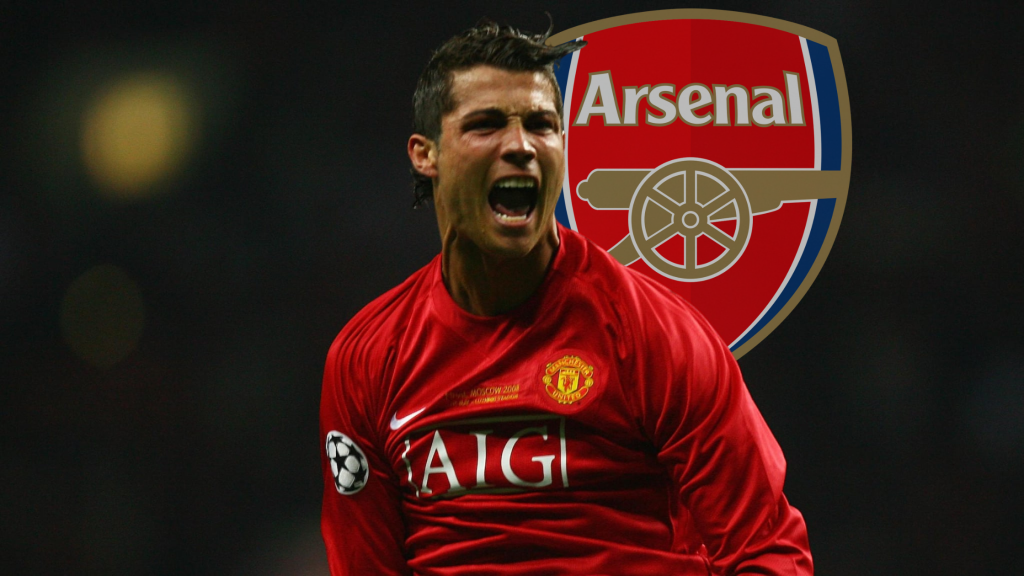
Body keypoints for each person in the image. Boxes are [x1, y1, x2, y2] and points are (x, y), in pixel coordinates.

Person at [320, 19, 813, 576]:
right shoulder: (367, 358)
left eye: (541, 125)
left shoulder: (652, 335)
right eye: (485, 125)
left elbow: (768, 551)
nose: (521, 146)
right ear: (424, 154)